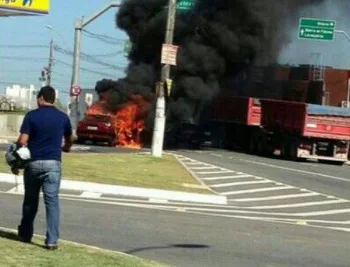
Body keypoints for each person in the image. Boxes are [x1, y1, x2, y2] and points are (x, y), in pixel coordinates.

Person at [13, 86, 73, 250]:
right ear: (53, 99)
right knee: (52, 202)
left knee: (30, 201)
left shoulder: (32, 116)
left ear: (41, 98)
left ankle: (25, 233)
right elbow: (69, 138)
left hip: (33, 163)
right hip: (53, 164)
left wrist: (16, 160)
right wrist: (66, 147)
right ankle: (52, 240)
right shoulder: (63, 117)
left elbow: (23, 140)